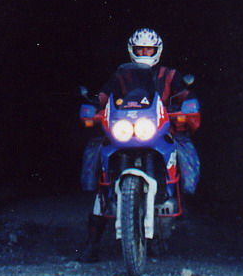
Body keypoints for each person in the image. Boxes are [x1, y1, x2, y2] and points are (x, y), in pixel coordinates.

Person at [78, 27, 197, 262]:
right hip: (125, 129)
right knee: (96, 151)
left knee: (186, 150)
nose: (144, 53)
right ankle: (92, 243)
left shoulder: (170, 75)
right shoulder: (121, 76)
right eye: (140, 49)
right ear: (131, 50)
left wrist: (187, 107)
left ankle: (184, 194)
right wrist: (94, 105)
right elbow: (105, 95)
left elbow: (184, 96)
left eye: (148, 49)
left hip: (162, 129)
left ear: (157, 51)